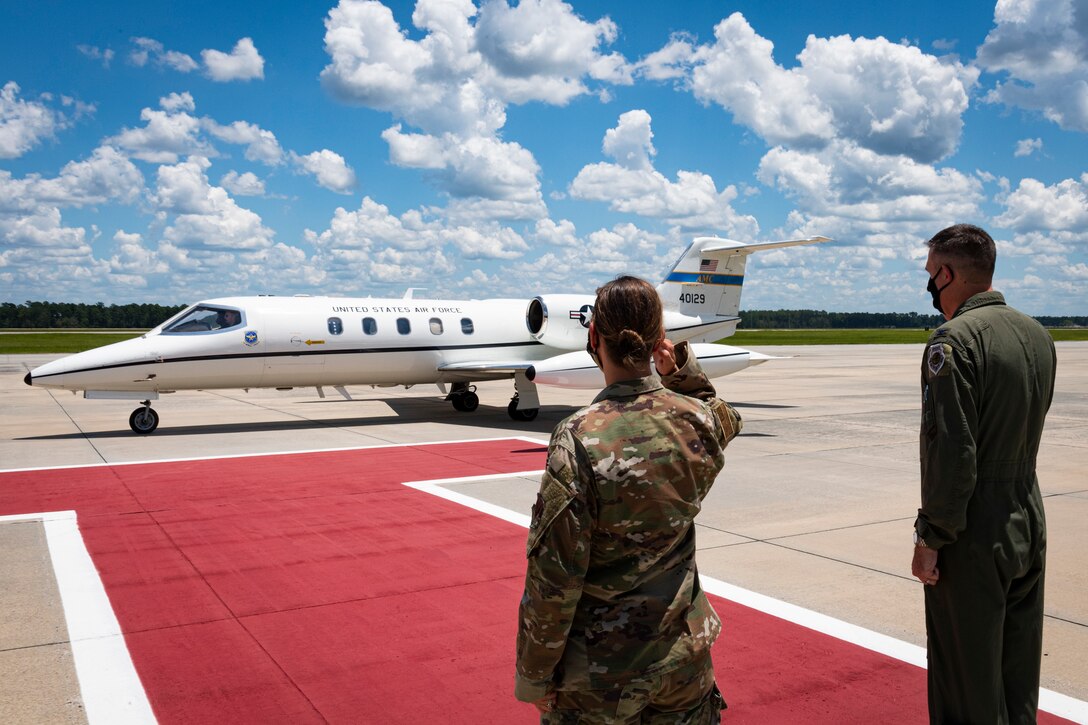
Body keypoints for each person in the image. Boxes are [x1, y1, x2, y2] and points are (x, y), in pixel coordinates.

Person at [515, 275, 743, 724]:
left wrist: (535, 675)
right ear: (659, 341)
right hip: (685, 660)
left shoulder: (579, 437)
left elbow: (555, 575)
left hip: (601, 674)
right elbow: (726, 417)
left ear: (594, 338)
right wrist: (680, 370)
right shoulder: (695, 417)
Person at [911, 224, 1056, 724]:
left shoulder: (952, 342)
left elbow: (952, 453)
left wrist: (931, 535)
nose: (930, 286)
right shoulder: (1037, 335)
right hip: (1028, 514)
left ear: (948, 273)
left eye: (932, 275)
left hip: (974, 528)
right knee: (1017, 675)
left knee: (965, 681)